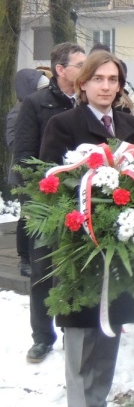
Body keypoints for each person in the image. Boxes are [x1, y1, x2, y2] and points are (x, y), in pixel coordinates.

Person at [39, 50, 134, 407]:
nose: (106, 86)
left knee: (111, 329)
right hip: (80, 252)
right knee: (82, 337)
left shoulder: (133, 127)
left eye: (113, 79)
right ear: (82, 83)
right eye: (98, 78)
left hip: (120, 250)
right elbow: (47, 186)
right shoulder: (63, 125)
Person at [15, 42, 85, 364]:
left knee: (82, 265)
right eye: (80, 64)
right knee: (43, 269)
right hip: (47, 198)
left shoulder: (88, 100)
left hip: (85, 197)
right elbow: (25, 155)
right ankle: (42, 336)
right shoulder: (36, 103)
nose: (88, 70)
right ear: (61, 70)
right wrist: (42, 193)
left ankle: (78, 326)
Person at [6, 68, 49, 277]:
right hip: (24, 172)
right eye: (40, 88)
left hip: (38, 171)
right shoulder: (18, 111)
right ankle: (24, 258)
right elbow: (14, 141)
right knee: (27, 215)